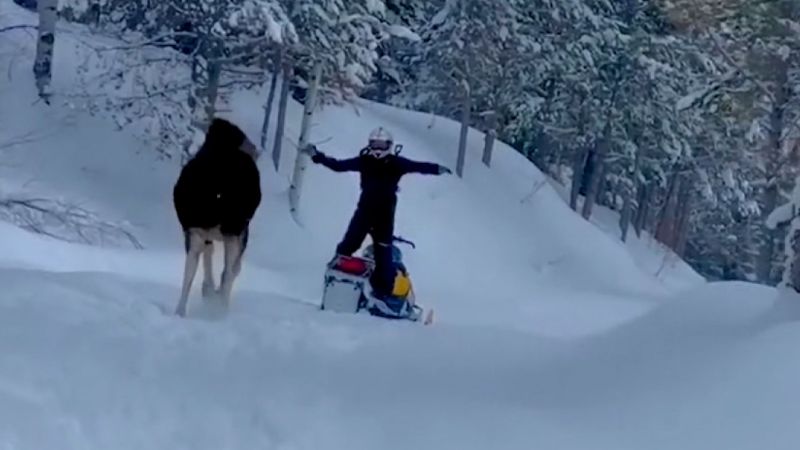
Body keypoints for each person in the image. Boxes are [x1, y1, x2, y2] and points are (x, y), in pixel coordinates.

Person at [306, 127, 452, 299]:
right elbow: (339, 166)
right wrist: (317, 156)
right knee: (347, 246)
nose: (377, 149)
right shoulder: (364, 160)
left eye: (381, 145)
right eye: (374, 144)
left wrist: (437, 168)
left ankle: (384, 295)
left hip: (385, 216)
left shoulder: (397, 163)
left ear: (389, 146)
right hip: (364, 211)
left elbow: (418, 166)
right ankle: (332, 281)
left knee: (384, 257)